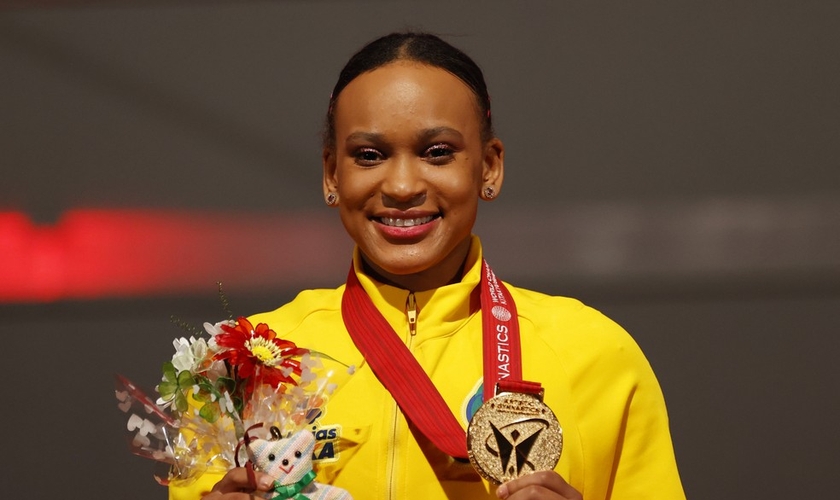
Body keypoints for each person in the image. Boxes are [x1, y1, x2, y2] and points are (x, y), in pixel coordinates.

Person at [172, 32, 685, 500]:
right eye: (369, 155)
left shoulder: (596, 355)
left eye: (437, 152)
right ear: (331, 174)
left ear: (489, 166)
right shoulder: (245, 362)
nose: (401, 186)